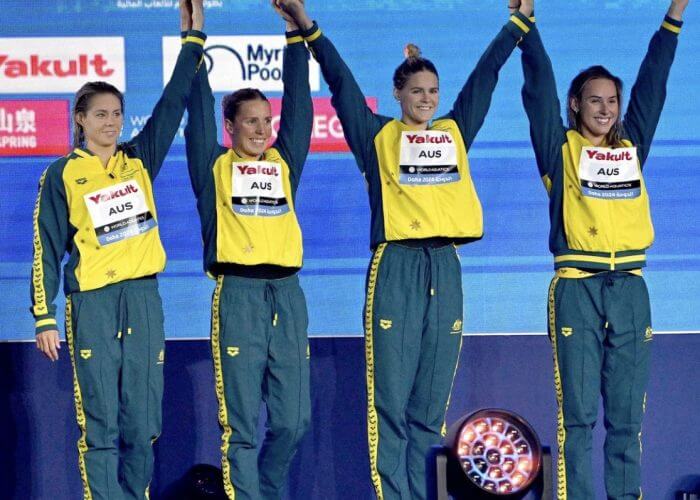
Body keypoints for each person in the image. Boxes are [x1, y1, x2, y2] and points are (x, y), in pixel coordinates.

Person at [275, 1, 535, 498]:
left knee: (429, 409)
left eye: (433, 91)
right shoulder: (377, 136)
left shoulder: (455, 133)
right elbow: (343, 86)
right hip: (396, 266)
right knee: (391, 405)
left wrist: (514, 27)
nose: (426, 99)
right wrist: (308, 30)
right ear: (397, 93)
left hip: (446, 268)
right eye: (416, 91)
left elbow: (484, 77)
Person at [31, 1, 206, 498]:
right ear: (80, 119)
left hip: (144, 300)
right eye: (100, 114)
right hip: (93, 304)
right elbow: (45, 248)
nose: (111, 122)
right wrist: (45, 317)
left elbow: (172, 105)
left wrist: (192, 40)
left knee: (143, 424)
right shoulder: (63, 174)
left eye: (117, 114)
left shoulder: (137, 160)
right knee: (102, 424)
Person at [515, 0, 689, 498]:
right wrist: (528, 29)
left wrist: (673, 16)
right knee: (580, 419)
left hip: (631, 290)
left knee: (627, 419)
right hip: (577, 289)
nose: (605, 109)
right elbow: (537, 91)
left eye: (612, 101)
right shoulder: (559, 148)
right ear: (576, 105)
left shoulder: (632, 146)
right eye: (595, 101)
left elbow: (654, 83)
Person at [183, 3, 313, 499]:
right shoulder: (212, 167)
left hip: (288, 295)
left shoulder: (285, 163)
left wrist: (293, 37)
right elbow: (195, 113)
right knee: (240, 427)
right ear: (230, 126)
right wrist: (194, 38)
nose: (262, 129)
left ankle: (265, 493)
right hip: (237, 295)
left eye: (266, 120)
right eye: (250, 121)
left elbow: (299, 106)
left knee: (294, 422)